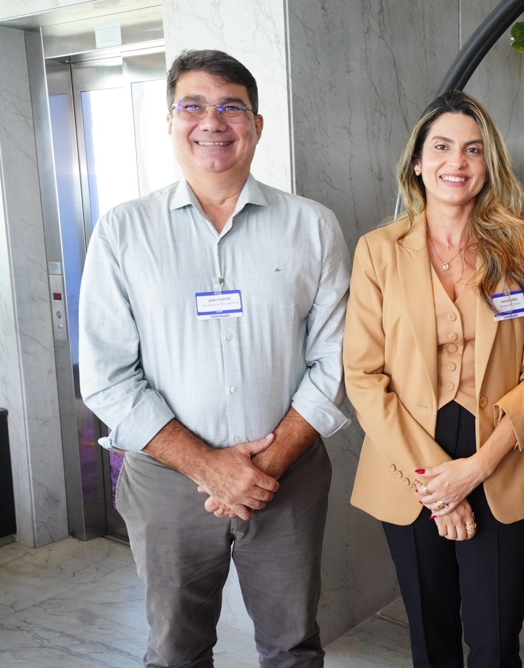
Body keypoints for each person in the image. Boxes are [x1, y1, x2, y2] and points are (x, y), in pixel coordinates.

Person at [79, 49, 350, 667]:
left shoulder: (312, 225)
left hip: (289, 477)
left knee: (292, 646)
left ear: (256, 124)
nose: (213, 121)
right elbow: (106, 374)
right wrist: (208, 466)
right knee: (176, 649)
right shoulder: (123, 231)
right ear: (170, 122)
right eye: (192, 106)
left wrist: (267, 463)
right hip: (169, 484)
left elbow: (336, 357)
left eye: (232, 106)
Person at [343, 90, 524, 668]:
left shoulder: (523, 243)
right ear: (417, 161)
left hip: (500, 449)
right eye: (441, 147)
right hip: (407, 456)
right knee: (429, 631)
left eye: (473, 149)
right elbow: (364, 376)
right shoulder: (378, 252)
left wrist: (476, 468)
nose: (457, 162)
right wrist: (436, 487)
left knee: (496, 636)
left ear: (489, 162)